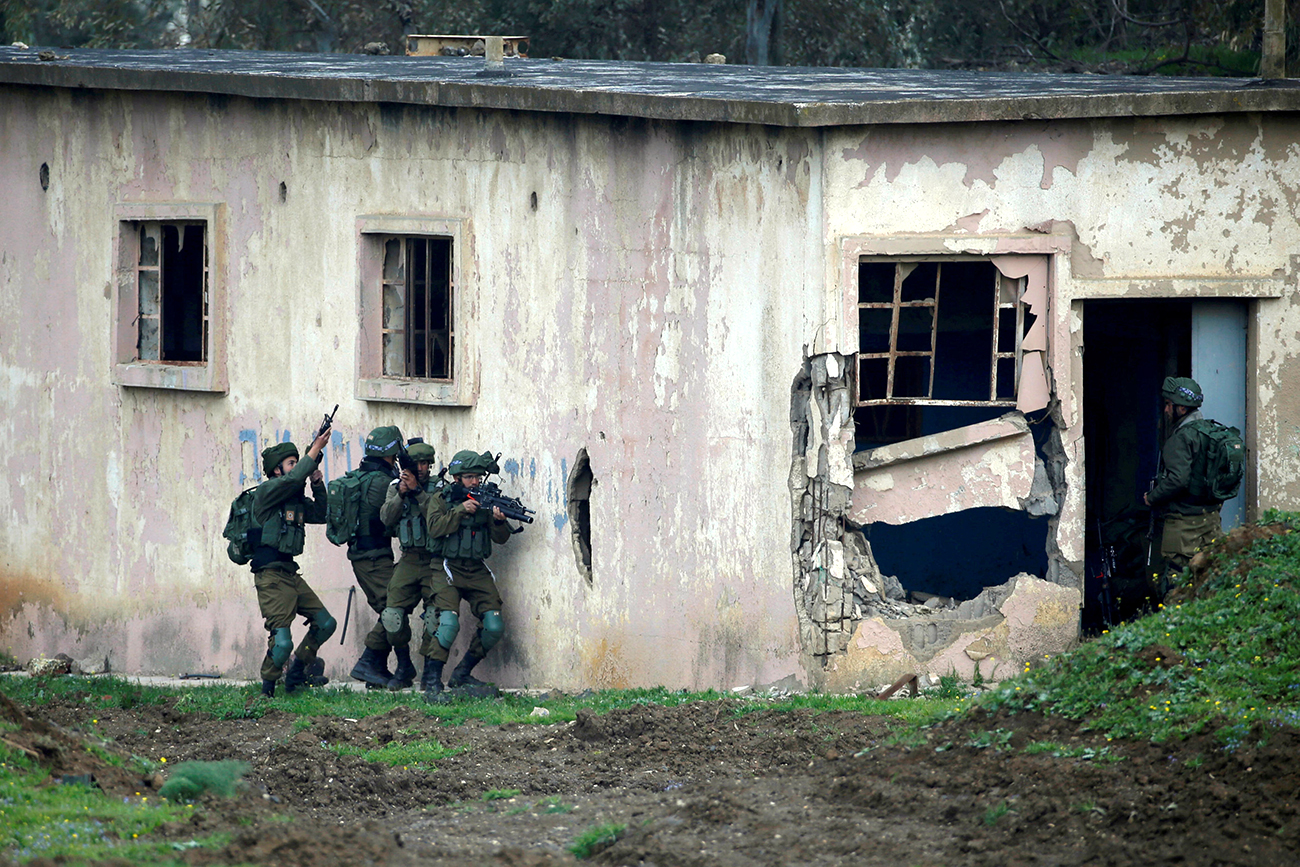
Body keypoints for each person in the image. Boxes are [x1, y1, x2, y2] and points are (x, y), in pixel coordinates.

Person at [250, 427, 336, 697]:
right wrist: (314, 450)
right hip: (270, 577)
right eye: (291, 463)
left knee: (325, 623)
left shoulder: (293, 499)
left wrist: (317, 484)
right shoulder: (267, 492)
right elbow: (292, 480)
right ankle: (267, 690)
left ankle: (297, 671)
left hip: (289, 574)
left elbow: (321, 514)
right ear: (277, 470)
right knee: (282, 642)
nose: (296, 467)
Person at [423, 449, 515, 699]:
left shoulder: (486, 499)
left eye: (477, 477)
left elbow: (501, 538)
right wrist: (460, 510)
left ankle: (462, 673)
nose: (474, 481)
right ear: (457, 478)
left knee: (494, 625)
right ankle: (432, 680)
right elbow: (434, 528)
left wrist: (497, 521)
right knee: (448, 624)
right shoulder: (442, 498)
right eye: (469, 477)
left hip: (476, 569)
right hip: (447, 567)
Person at [378, 439, 449, 692]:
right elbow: (386, 518)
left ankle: (431, 672)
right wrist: (401, 493)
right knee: (391, 616)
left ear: (430, 465)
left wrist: (418, 491)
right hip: (408, 559)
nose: (419, 468)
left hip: (435, 559)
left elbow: (439, 516)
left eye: (423, 463)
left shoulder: (440, 487)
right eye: (415, 464)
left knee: (435, 618)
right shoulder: (395, 487)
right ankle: (404, 665)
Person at [1144, 376, 1222, 589]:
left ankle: (1177, 622)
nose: (1166, 410)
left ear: (1182, 409)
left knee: (1178, 582)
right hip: (1211, 520)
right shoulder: (1212, 432)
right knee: (1210, 579)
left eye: (1169, 405)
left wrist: (1152, 498)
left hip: (1184, 526)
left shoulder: (1180, 438)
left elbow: (1178, 480)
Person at [346, 425, 403, 688]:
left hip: (365, 555)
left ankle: (376, 667)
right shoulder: (382, 482)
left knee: (392, 608)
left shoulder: (361, 476)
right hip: (373, 557)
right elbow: (389, 521)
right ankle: (369, 661)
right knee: (394, 608)